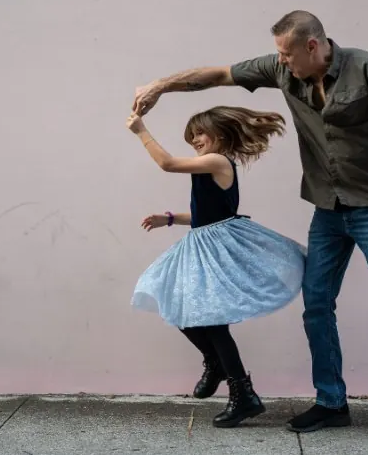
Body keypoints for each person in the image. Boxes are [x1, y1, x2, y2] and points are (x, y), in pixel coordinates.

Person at [131, 10, 368, 445]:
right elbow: (219, 74)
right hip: (328, 210)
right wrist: (160, 86)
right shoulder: (283, 69)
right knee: (316, 304)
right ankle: (332, 402)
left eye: (287, 53)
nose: (281, 62)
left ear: (312, 46)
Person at [125, 105, 307, 428]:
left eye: (199, 134)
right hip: (202, 245)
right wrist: (168, 218)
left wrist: (141, 131)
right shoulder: (209, 164)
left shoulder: (218, 161)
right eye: (191, 136)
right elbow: (203, 214)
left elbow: (167, 163)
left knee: (213, 320)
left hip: (217, 251)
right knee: (181, 306)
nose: (194, 140)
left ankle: (241, 392)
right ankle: (218, 364)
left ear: (219, 135)